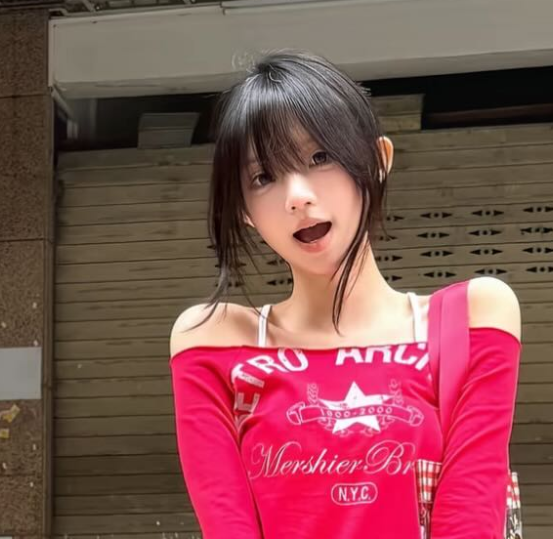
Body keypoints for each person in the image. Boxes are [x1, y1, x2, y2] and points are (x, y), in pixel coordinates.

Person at [169, 50, 522, 539]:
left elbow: (471, 514)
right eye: (263, 177)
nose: (297, 196)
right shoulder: (215, 340)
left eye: (320, 157)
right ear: (244, 209)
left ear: (377, 162)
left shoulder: (471, 317)